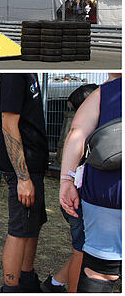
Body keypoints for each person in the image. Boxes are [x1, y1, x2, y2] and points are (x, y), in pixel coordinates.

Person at [59, 74, 121, 292]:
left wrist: (67, 180)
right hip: (107, 193)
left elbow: (77, 133)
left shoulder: (104, 93)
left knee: (100, 271)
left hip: (108, 192)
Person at [0, 73, 48, 292]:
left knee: (32, 225)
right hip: (22, 168)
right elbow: (8, 125)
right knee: (19, 229)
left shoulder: (27, 73)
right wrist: (23, 178)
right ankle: (11, 287)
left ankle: (27, 279)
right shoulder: (13, 74)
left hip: (33, 165)